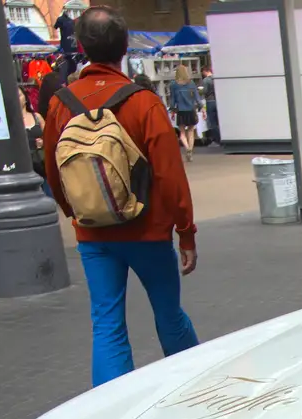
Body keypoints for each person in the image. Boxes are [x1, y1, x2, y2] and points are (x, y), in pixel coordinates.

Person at [44, 5, 199, 388]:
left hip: (95, 233)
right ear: (125, 45)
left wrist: (77, 211)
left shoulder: (61, 103)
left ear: (79, 45)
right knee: (169, 315)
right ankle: (196, 385)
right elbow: (169, 174)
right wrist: (186, 231)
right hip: (148, 230)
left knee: (108, 324)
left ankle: (112, 410)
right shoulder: (143, 102)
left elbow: (52, 169)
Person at [168, 65, 202, 161]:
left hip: (180, 111)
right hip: (191, 110)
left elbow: (172, 99)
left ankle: (187, 148)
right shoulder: (191, 83)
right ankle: (190, 149)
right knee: (191, 131)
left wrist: (172, 109)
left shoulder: (173, 85)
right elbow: (196, 96)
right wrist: (200, 107)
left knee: (182, 132)